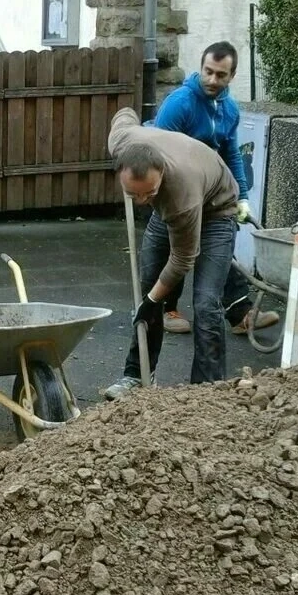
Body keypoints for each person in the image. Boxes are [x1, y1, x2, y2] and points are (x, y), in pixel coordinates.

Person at [103, 108, 238, 400]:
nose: (140, 201)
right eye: (133, 194)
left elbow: (182, 259)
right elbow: (124, 114)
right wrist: (149, 300)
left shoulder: (181, 193)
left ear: (162, 173)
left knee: (205, 302)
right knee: (147, 289)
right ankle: (137, 375)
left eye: (148, 193)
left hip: (216, 211)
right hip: (166, 213)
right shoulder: (122, 141)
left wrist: (154, 301)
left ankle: (207, 390)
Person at [152, 41, 279, 337]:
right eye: (208, 71)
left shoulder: (229, 110)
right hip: (177, 191)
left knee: (222, 245)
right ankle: (165, 309)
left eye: (220, 75)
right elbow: (157, 150)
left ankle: (239, 314)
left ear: (231, 76)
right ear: (201, 67)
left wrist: (242, 197)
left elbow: (231, 153)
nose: (212, 80)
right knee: (179, 248)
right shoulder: (179, 103)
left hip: (210, 192)